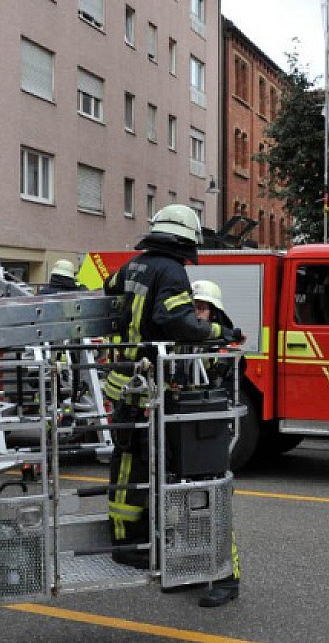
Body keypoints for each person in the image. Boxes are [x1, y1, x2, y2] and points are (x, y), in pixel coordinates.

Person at [102, 204, 220, 572]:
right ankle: (126, 542)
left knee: (137, 463)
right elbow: (176, 321)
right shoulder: (171, 271)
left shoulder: (135, 264)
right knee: (132, 466)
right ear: (186, 239)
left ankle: (138, 535)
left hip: (128, 379)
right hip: (142, 387)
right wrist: (218, 331)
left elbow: (109, 289)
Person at [191, 279, 243, 608]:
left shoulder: (224, 347)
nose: (197, 314)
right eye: (193, 308)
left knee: (216, 506)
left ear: (214, 312)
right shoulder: (187, 343)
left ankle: (228, 578)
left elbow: (219, 383)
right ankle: (195, 570)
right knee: (188, 506)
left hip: (212, 434)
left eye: (202, 308)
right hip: (189, 434)